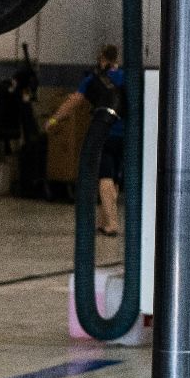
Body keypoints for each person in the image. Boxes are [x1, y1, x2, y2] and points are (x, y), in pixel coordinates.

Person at [46, 44, 127, 237]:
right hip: (126, 136)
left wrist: (54, 120)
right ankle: (105, 221)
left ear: (102, 59)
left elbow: (72, 102)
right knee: (114, 180)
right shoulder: (126, 77)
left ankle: (113, 224)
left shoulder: (93, 79)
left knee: (104, 178)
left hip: (104, 134)